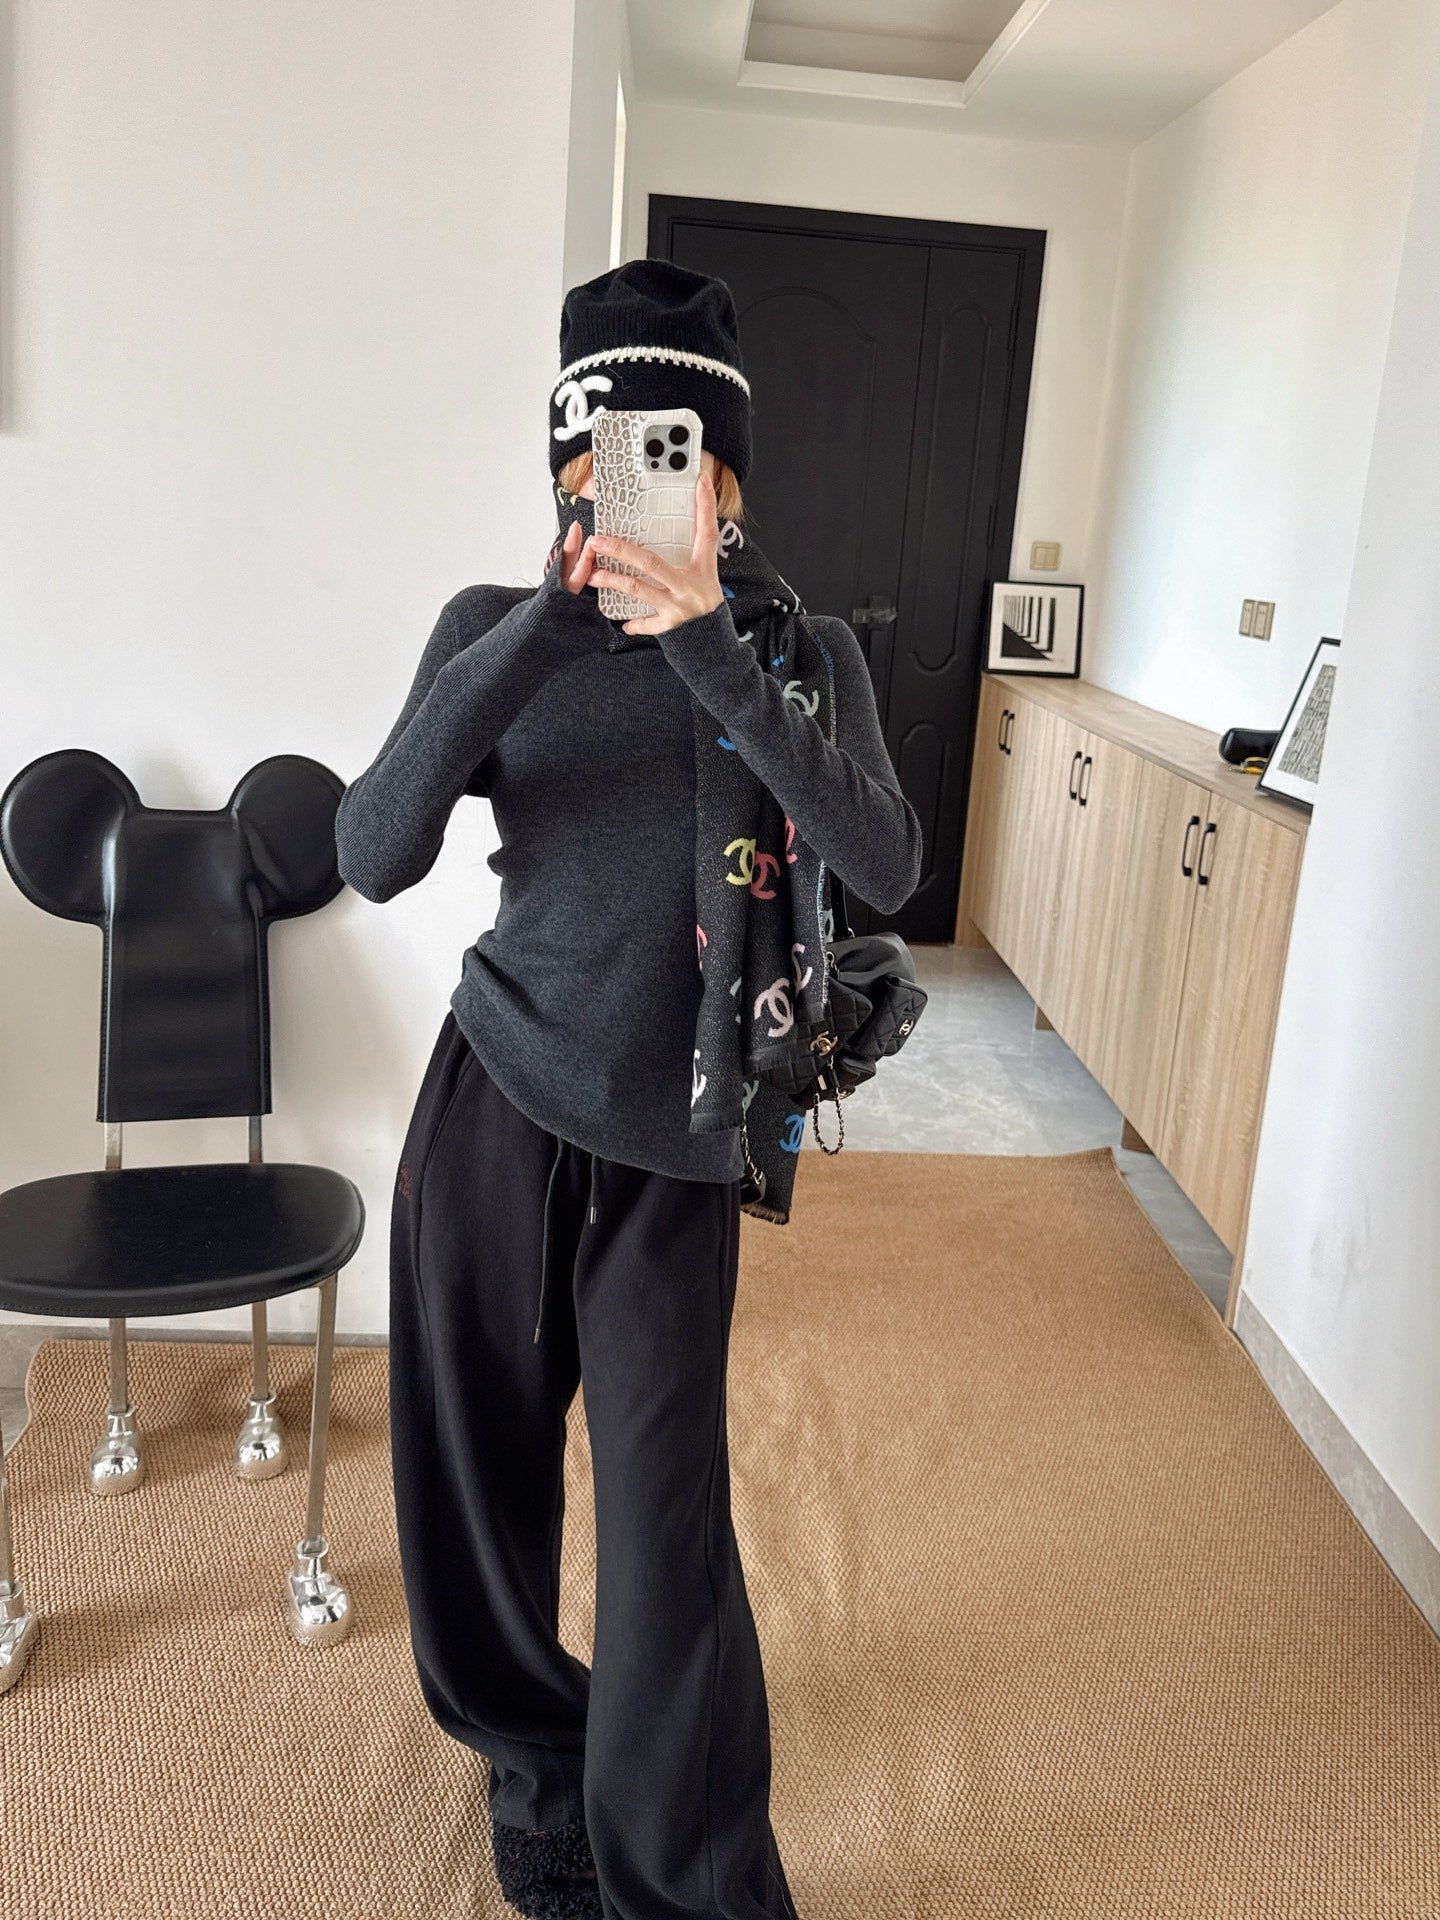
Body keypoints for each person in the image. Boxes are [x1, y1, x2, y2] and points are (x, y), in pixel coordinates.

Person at [335, 260, 923, 1920]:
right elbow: (369, 851)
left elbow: (887, 863)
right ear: (566, 467)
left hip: (678, 1141)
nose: (635, 490)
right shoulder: (490, 630)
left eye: (674, 456)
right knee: (477, 1480)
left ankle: (690, 1877)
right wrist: (539, 629)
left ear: (725, 478)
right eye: (600, 458)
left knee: (669, 1541)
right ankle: (539, 1771)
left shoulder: (796, 650)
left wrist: (715, 657)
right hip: (498, 1101)